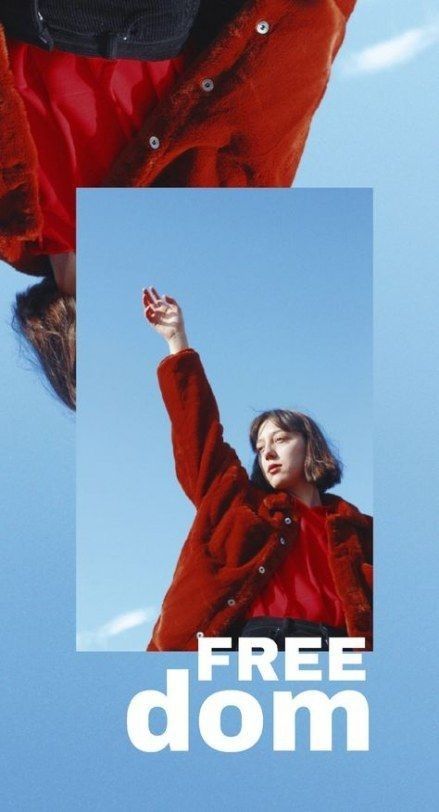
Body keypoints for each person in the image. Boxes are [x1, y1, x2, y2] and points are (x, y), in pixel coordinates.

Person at [142, 288, 373, 652]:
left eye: (280, 439)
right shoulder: (240, 504)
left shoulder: (359, 529)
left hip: (338, 652)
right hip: (255, 647)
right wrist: (177, 340)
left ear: (310, 444)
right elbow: (198, 435)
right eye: (261, 447)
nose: (268, 453)